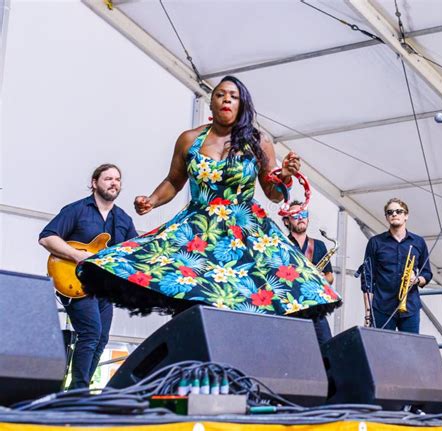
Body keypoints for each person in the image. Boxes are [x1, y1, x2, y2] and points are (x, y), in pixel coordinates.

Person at [77, 76, 341, 319]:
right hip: (198, 229)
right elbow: (174, 181)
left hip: (244, 231)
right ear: (211, 103)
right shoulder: (189, 139)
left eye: (234, 96)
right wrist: (152, 200)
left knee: (250, 298)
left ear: (242, 105)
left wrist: (284, 175)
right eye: (220, 94)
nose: (227, 99)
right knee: (191, 297)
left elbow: (273, 193)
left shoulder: (259, 142)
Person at [39, 163, 138, 389]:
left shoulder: (123, 219)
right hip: (75, 281)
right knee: (91, 333)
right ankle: (77, 392)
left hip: (104, 287)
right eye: (108, 179)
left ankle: (78, 390)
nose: (114, 183)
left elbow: (133, 254)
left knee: (102, 339)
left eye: (117, 179)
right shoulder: (77, 210)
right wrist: (76, 255)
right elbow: (47, 238)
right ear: (94, 183)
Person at [363, 198, 432, 333]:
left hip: (410, 308)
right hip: (382, 307)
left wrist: (416, 280)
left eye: (399, 211)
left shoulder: (418, 242)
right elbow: (367, 279)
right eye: (390, 212)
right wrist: (367, 313)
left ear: (406, 215)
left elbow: (427, 273)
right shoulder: (375, 242)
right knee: (381, 350)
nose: (394, 214)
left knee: (410, 350)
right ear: (387, 217)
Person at [283, 200, 335, 345]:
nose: (301, 217)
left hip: (315, 305)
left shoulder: (319, 245)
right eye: (295, 215)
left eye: (304, 214)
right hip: (292, 306)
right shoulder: (282, 245)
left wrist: (323, 278)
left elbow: (330, 276)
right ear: (286, 221)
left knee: (326, 345)